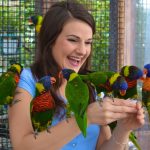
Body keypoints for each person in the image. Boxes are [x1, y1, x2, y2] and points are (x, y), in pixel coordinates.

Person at [8, 0, 145, 150]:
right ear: (50, 40)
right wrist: (85, 119)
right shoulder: (25, 81)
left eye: (88, 42)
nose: (82, 50)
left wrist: (123, 129)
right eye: (73, 40)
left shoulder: (88, 87)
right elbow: (21, 146)